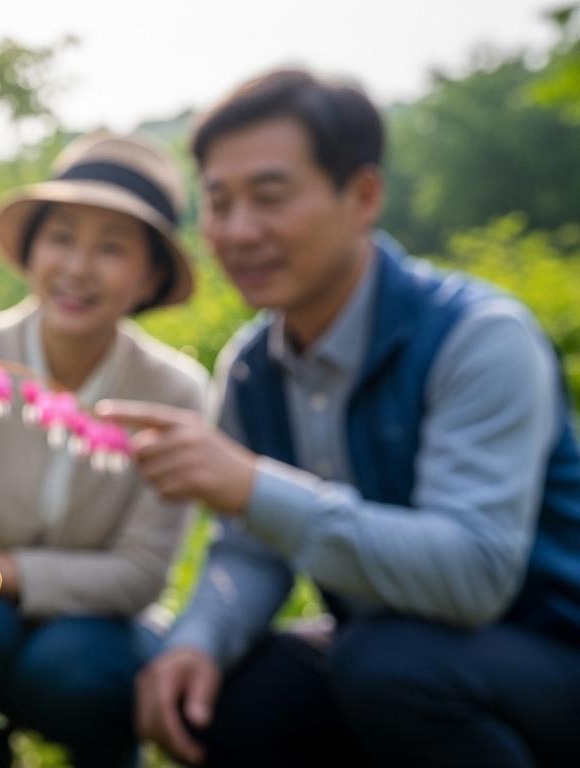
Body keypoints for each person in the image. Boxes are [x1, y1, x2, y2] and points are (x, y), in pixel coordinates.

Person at [112, 69, 580, 768]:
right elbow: (251, 547)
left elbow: (475, 576)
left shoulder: (478, 338)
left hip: (547, 658)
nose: (239, 231)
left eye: (269, 198)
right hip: (388, 652)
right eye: (219, 203)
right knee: (233, 694)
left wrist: (251, 484)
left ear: (362, 196)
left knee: (388, 666)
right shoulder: (253, 366)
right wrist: (195, 641)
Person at [0, 132, 210, 767]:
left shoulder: (173, 392)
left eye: (112, 249)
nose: (77, 268)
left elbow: (142, 573)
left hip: (94, 630)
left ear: (149, 276)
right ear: (32, 248)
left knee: (76, 671)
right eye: (61, 238)